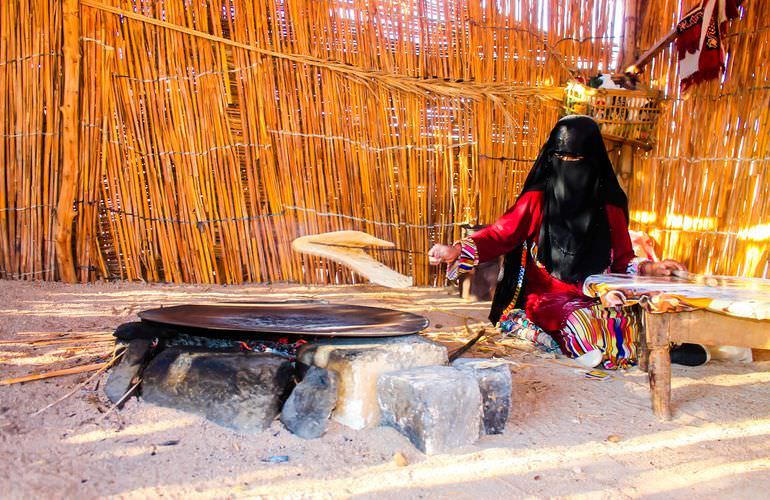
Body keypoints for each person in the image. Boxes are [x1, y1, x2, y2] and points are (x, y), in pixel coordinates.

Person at [429, 115, 685, 369]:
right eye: (561, 158)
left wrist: (651, 269)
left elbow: (622, 258)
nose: (568, 165)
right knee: (578, 320)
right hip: (549, 296)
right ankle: (605, 348)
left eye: (577, 159)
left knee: (640, 311)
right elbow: (501, 233)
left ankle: (650, 347)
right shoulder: (538, 198)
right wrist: (457, 250)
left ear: (593, 160)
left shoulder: (610, 203)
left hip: (600, 292)